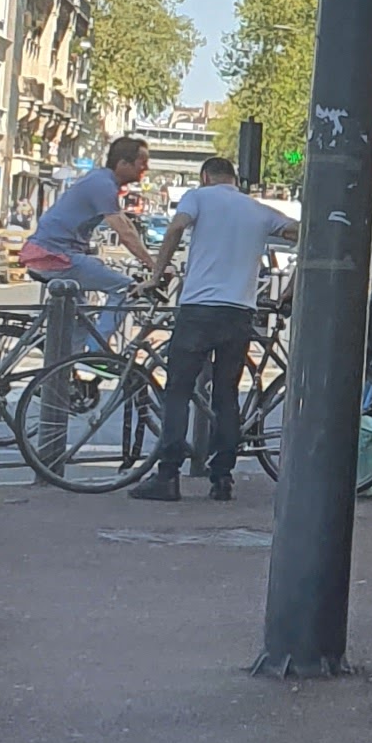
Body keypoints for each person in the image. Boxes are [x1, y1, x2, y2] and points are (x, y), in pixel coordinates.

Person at [133, 155, 299, 502]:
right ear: (234, 179)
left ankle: (168, 475)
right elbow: (303, 232)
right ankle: (222, 477)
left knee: (178, 390)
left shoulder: (197, 197)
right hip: (238, 312)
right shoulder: (258, 210)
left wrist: (157, 274)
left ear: (205, 176)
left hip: (198, 308)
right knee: (226, 394)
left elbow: (176, 228)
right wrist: (290, 287)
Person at [19, 137, 154, 350]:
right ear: (123, 163)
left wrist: (151, 261)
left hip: (51, 253)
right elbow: (124, 232)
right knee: (126, 289)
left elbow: (126, 224)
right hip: (56, 255)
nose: (146, 168)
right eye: (142, 162)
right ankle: (96, 352)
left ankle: (72, 363)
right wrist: (154, 266)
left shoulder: (101, 180)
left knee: (83, 317)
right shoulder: (102, 185)